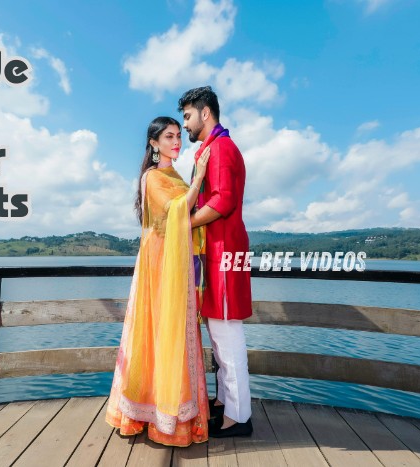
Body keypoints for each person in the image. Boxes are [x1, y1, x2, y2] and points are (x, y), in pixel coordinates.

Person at [105, 116, 212, 447]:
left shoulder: (173, 175)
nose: (176, 141)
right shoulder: (152, 177)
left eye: (179, 136)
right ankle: (151, 413)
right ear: (154, 143)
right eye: (169, 137)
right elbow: (176, 210)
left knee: (174, 333)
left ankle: (176, 412)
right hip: (159, 266)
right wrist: (199, 178)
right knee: (157, 332)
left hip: (175, 263)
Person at [179, 86, 254, 438]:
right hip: (218, 250)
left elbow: (223, 201)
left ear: (205, 112)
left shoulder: (221, 148)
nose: (186, 125)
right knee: (219, 333)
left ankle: (239, 417)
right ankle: (226, 404)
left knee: (226, 336)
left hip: (224, 250)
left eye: (188, 116)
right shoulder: (212, 149)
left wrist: (184, 223)